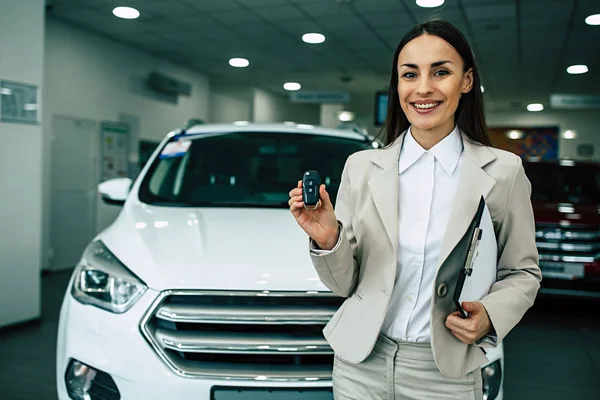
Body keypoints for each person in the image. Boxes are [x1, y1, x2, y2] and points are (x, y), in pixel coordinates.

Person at [288, 19, 542, 400]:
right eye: (410, 74)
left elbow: (523, 271)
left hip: (444, 372)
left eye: (441, 72)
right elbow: (344, 285)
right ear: (398, 85)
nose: (423, 88)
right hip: (362, 363)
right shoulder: (362, 168)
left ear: (467, 81)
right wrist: (329, 241)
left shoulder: (502, 172)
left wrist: (490, 315)